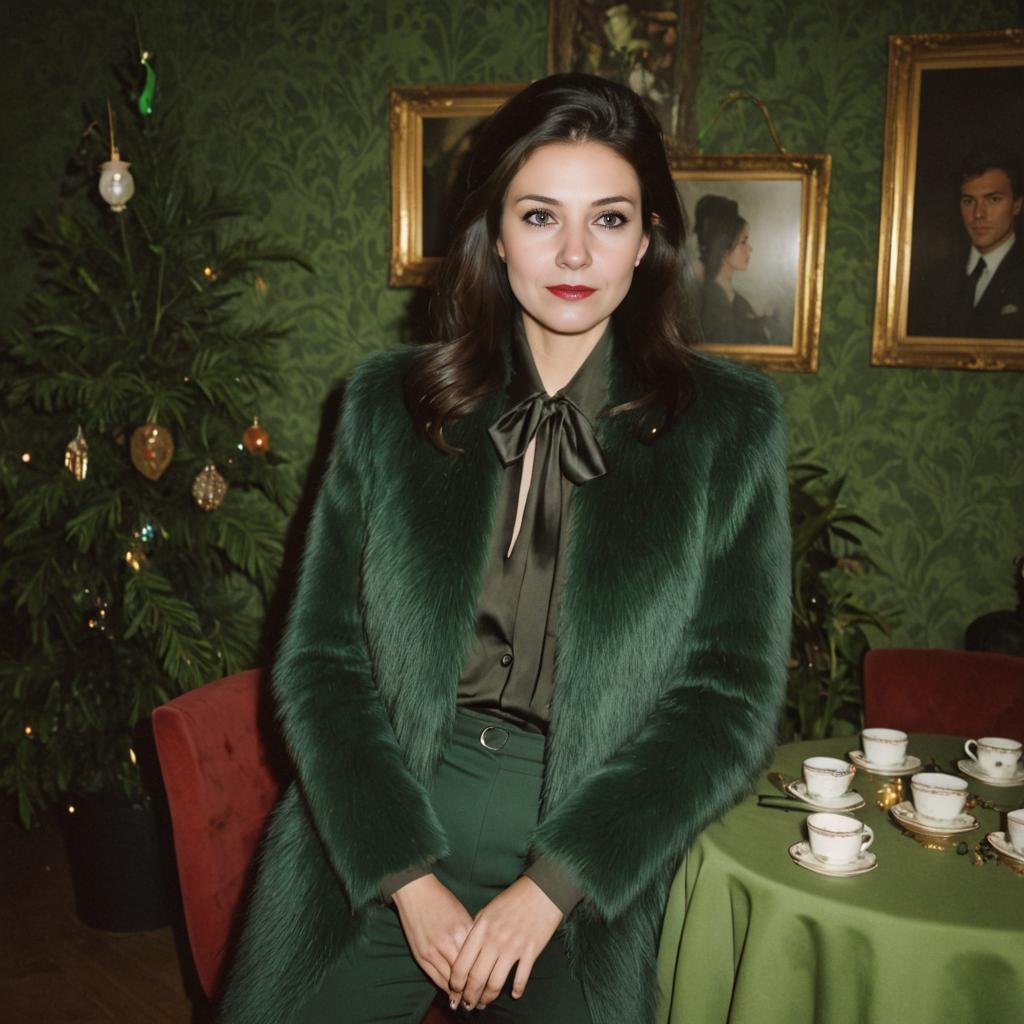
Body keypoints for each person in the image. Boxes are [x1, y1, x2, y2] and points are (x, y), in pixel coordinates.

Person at [218, 73, 790, 1024]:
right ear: (494, 231)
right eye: (539, 216)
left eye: (608, 220)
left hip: (593, 841)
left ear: (647, 239)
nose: (574, 253)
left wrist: (553, 886)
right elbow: (320, 663)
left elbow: (726, 701)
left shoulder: (729, 428)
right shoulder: (385, 406)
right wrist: (407, 877)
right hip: (387, 815)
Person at [908, 141, 1024, 339]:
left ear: (1016, 205)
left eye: (993, 199)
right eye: (969, 201)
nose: (978, 214)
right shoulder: (932, 276)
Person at [694, 194, 772, 343]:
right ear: (724, 249)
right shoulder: (710, 300)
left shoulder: (735, 299)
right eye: (743, 242)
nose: (750, 249)